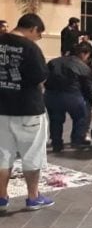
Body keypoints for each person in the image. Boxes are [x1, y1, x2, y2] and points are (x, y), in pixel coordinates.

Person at [0, 13, 54, 211]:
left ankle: (1, 197)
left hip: (1, 109)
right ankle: (33, 196)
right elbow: (40, 77)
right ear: (33, 29)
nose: (37, 38)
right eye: (38, 35)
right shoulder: (30, 48)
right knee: (32, 153)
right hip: (28, 109)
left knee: (2, 155)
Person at [45, 42, 92, 151]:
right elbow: (88, 88)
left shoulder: (53, 62)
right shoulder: (83, 67)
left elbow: (44, 77)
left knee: (55, 119)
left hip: (51, 95)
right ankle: (77, 141)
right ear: (84, 54)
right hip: (72, 96)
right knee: (80, 117)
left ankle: (56, 143)